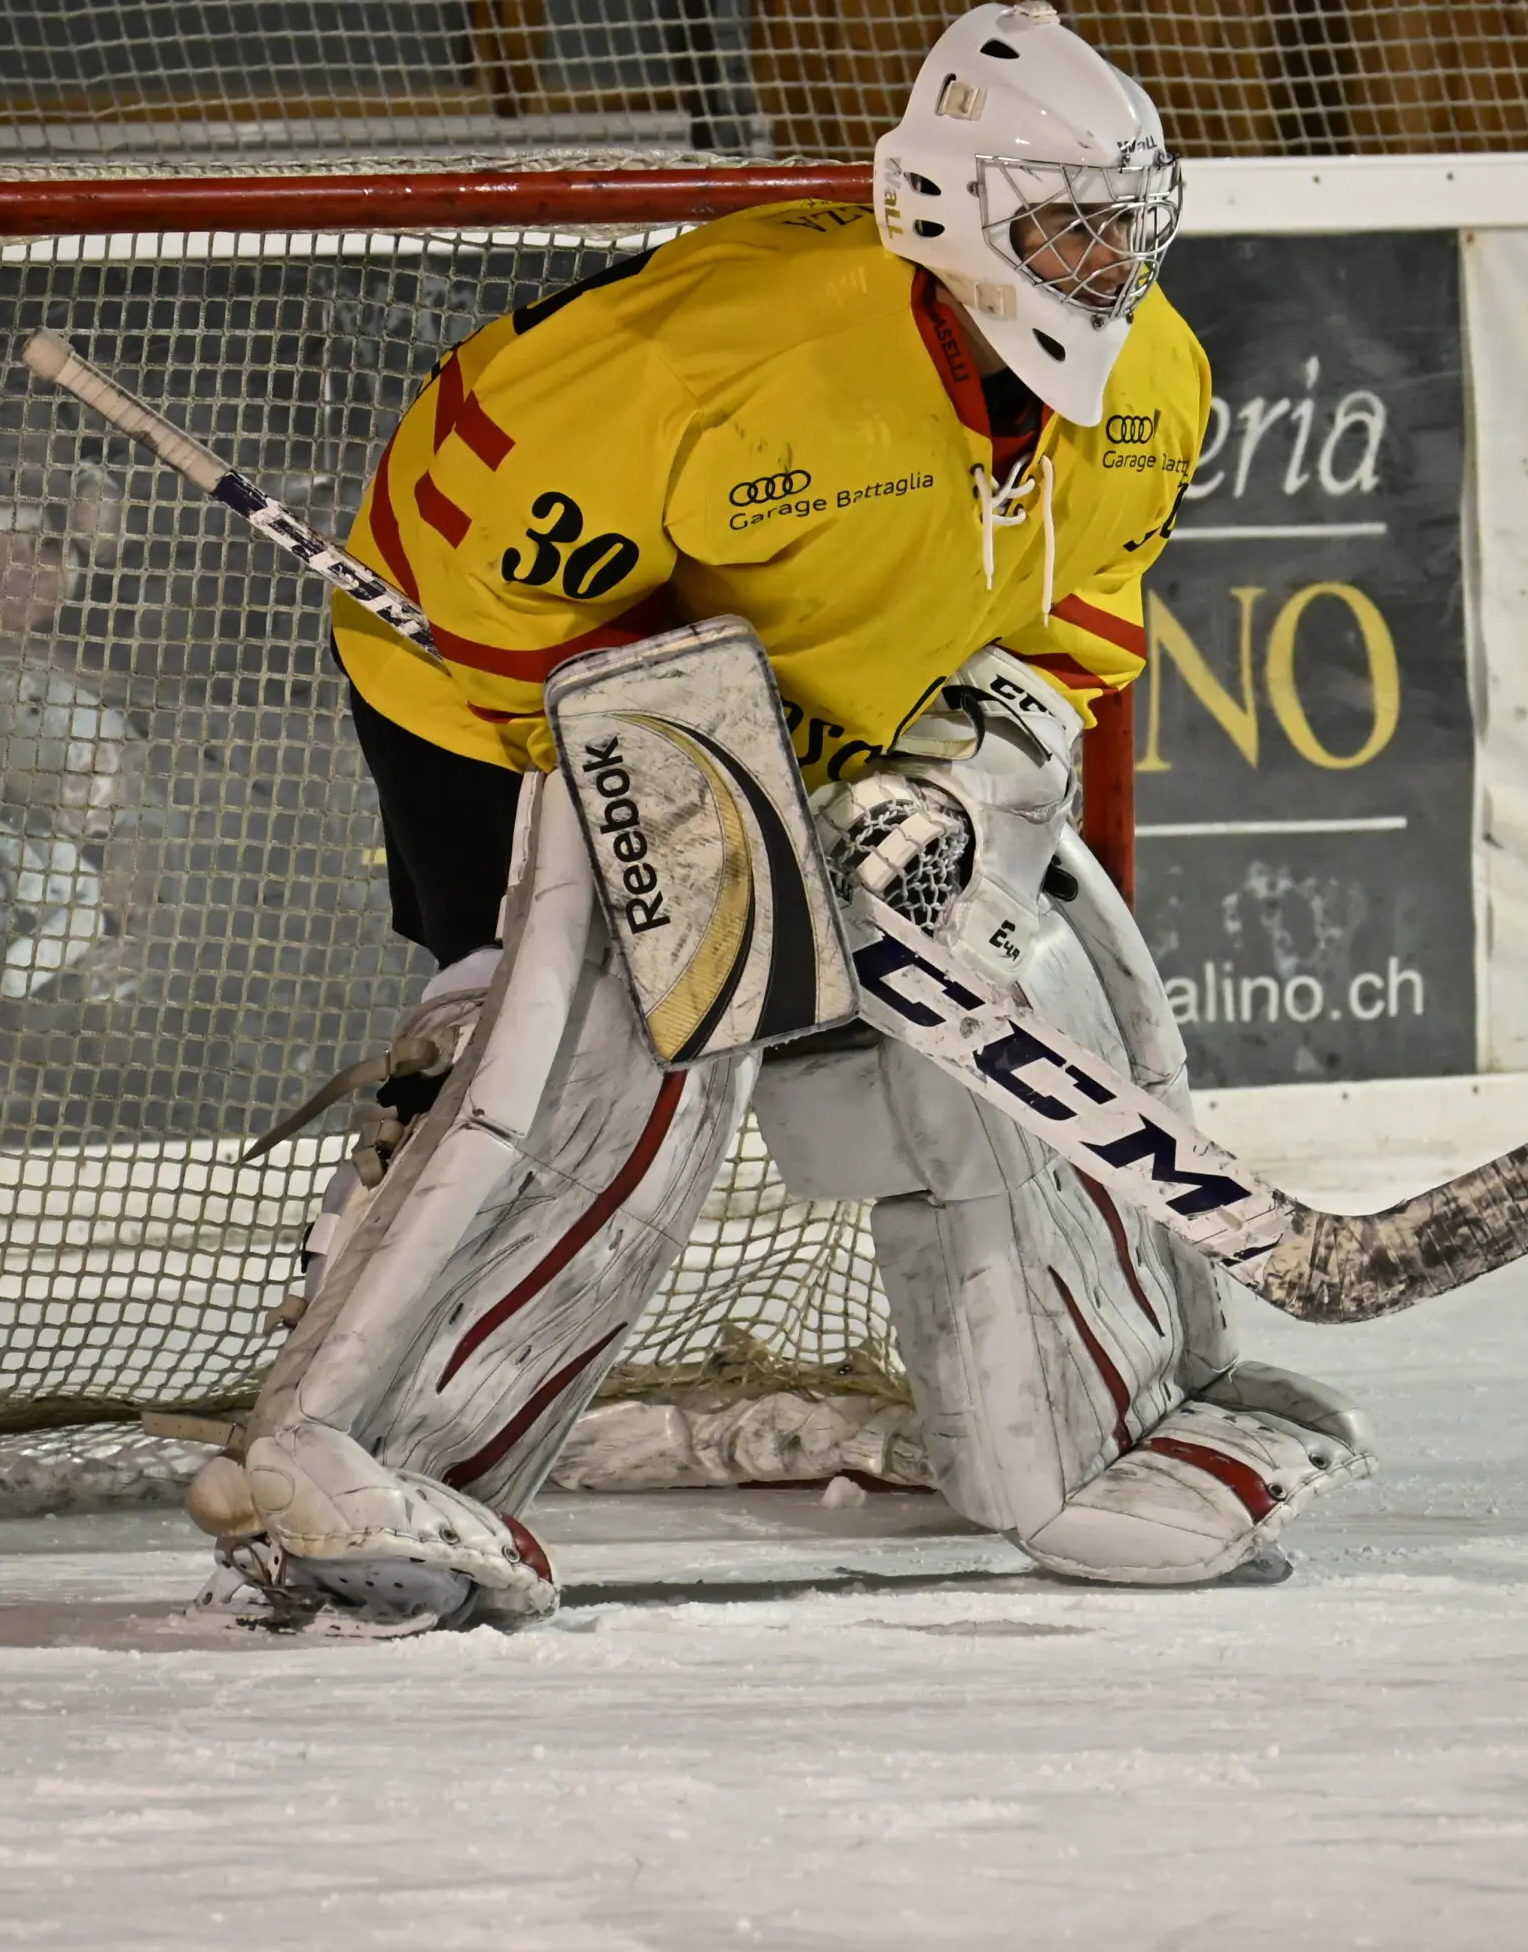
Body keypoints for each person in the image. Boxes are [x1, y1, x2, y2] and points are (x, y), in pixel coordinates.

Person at [187, 1, 1373, 1632]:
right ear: (946, 208)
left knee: (1017, 984)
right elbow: (448, 553)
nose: (1109, 265)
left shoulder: (1153, 377)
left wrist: (943, 777)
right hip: (528, 717)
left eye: (1127, 225)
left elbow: (1084, 617)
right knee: (615, 1057)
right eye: (1069, 227)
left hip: (845, 739)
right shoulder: (714, 356)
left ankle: (1096, 1428)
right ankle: (369, 1454)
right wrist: (682, 758)